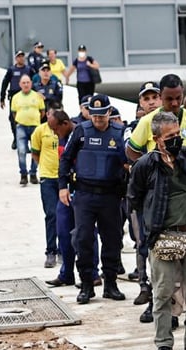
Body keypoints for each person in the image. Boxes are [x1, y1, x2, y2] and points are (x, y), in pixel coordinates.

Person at [128, 110, 186, 350]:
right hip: (163, 236)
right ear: (156, 139)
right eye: (170, 137)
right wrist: (148, 232)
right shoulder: (145, 165)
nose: (176, 139)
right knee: (163, 293)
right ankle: (164, 344)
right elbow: (134, 198)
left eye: (178, 134)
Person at [59, 94, 129, 304]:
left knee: (112, 240)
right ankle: (87, 285)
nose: (98, 119)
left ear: (109, 112)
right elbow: (66, 159)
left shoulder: (120, 133)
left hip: (111, 195)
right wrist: (63, 186)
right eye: (94, 115)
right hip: (84, 194)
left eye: (102, 115)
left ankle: (110, 283)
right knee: (83, 239)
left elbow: (129, 161)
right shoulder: (81, 130)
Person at [44, 110, 102, 288]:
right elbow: (64, 161)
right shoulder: (62, 137)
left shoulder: (82, 133)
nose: (55, 133)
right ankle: (66, 273)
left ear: (65, 124)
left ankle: (92, 274)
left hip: (83, 191)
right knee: (63, 231)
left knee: (85, 234)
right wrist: (62, 186)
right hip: (67, 190)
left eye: (56, 129)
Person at [125, 81, 162, 312]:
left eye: (154, 97)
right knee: (144, 244)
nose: (150, 102)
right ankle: (146, 289)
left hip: (169, 192)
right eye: (146, 98)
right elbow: (129, 154)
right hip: (144, 194)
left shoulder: (170, 122)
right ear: (140, 102)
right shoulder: (134, 127)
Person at [126, 74, 186, 161]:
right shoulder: (147, 121)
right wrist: (147, 168)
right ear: (160, 96)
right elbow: (131, 150)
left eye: (178, 98)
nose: (175, 103)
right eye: (169, 99)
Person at [30, 105, 63, 268]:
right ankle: (51, 251)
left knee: (65, 216)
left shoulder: (64, 130)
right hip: (48, 178)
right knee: (51, 214)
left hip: (64, 178)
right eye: (48, 114)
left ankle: (64, 250)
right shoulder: (40, 131)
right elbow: (35, 152)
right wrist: (43, 167)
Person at [10, 74, 44, 185]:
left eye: (28, 82)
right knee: (21, 151)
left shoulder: (38, 96)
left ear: (31, 84)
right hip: (21, 127)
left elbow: (42, 111)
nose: (26, 85)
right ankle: (23, 174)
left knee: (36, 150)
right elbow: (14, 113)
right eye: (23, 83)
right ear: (20, 84)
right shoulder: (15, 97)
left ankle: (33, 173)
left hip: (35, 127)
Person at [1, 50, 33, 150]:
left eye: (22, 56)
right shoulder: (11, 70)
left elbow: (34, 82)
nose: (21, 58)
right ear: (16, 58)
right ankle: (16, 138)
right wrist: (2, 97)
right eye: (19, 56)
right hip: (14, 97)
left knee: (27, 118)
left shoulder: (29, 70)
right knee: (13, 119)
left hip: (27, 97)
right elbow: (5, 83)